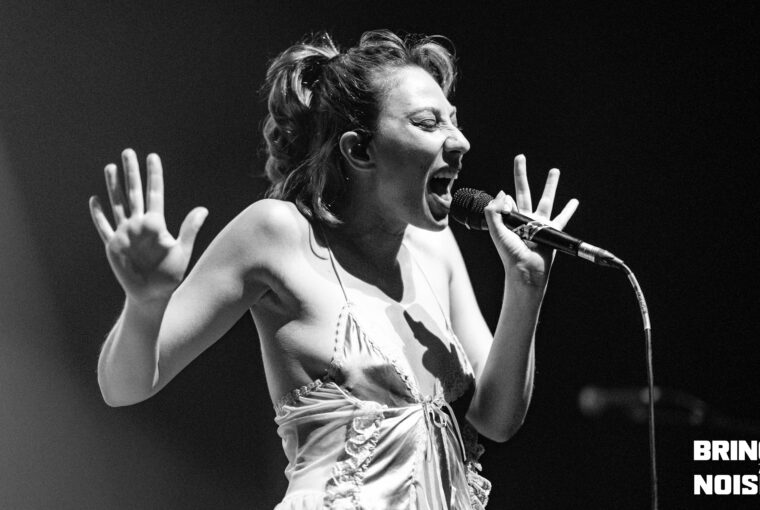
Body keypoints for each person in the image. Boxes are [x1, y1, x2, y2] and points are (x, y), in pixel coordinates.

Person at [89, 30, 578, 510]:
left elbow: (496, 420)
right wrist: (146, 302)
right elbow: (123, 387)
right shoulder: (277, 232)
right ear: (359, 149)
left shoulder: (438, 247)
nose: (461, 141)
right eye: (428, 123)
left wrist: (527, 284)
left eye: (454, 120)